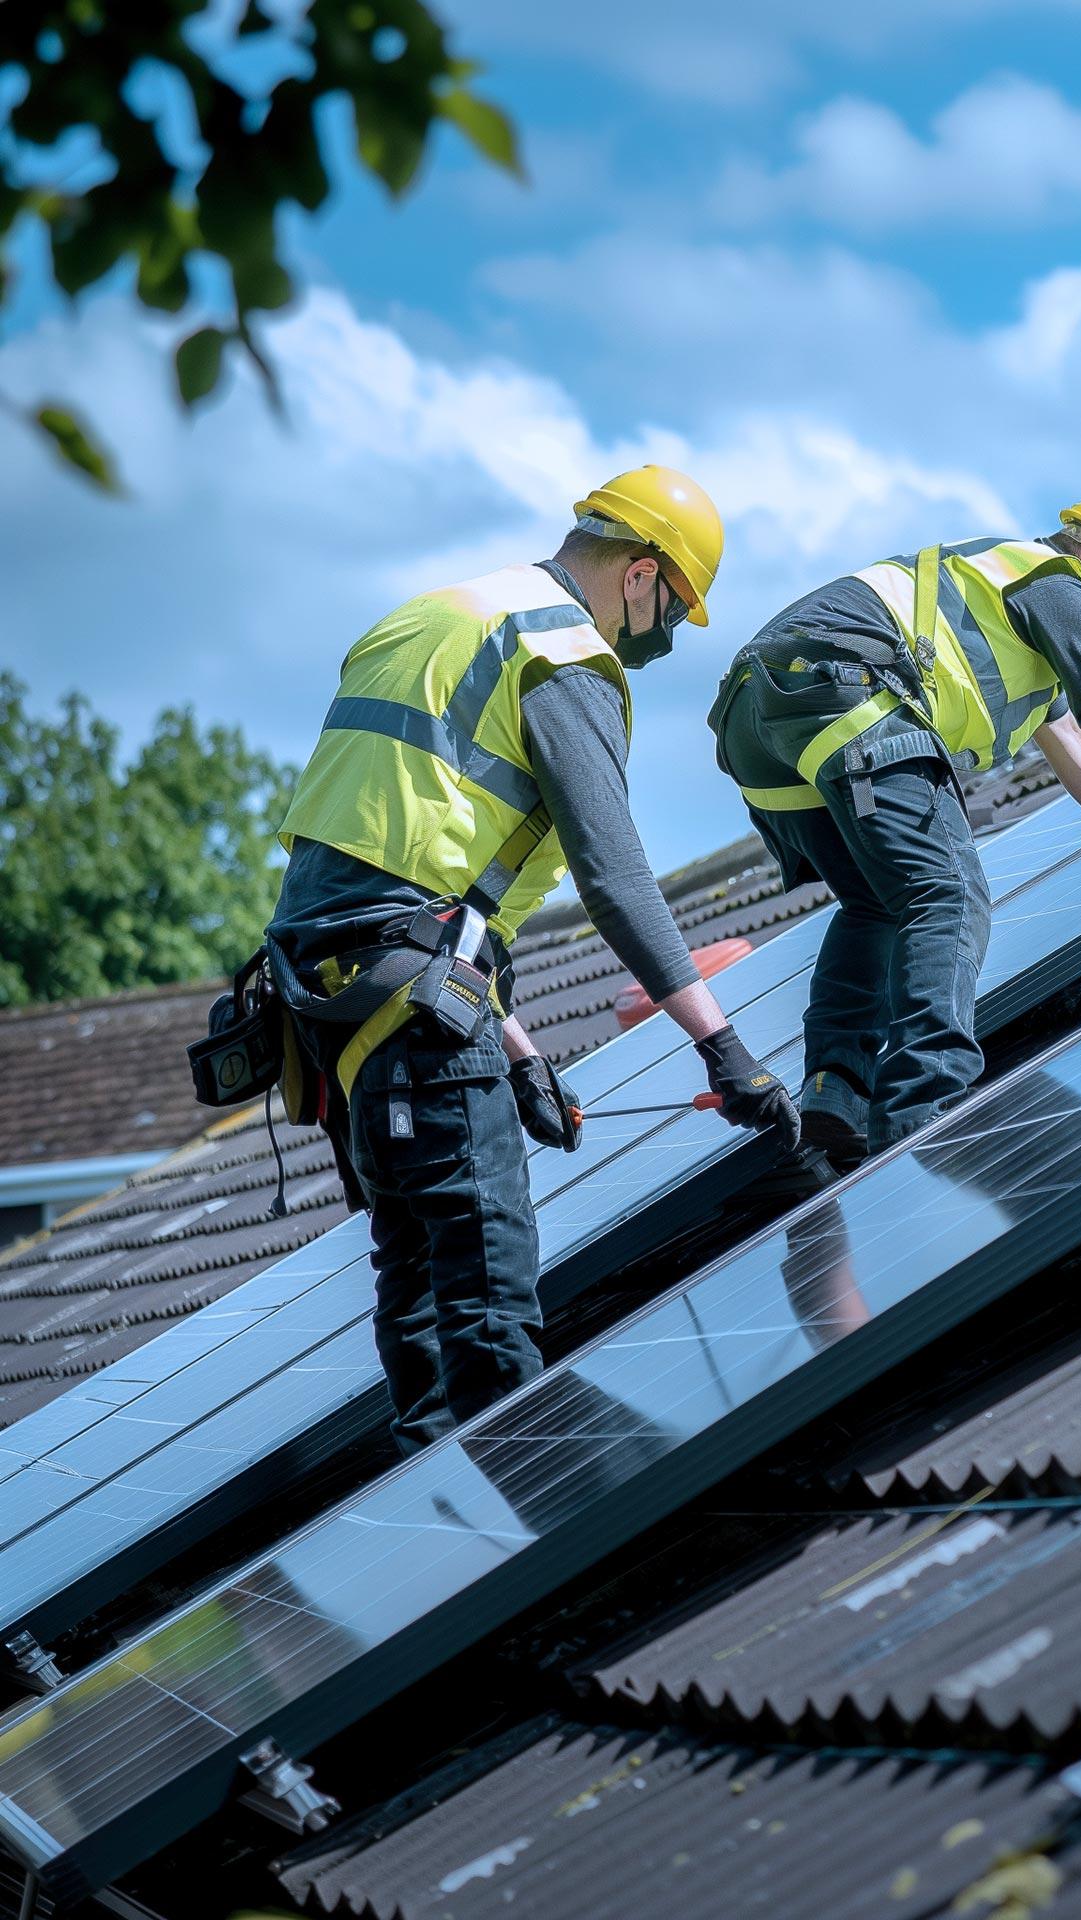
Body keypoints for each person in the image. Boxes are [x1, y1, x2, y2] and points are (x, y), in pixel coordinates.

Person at [267, 467, 799, 1454]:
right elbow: (616, 879)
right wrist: (723, 1050)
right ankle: (522, 1530)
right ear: (640, 574)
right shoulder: (565, 655)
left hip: (332, 1003)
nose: (665, 639)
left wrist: (515, 1052)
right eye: (674, 610)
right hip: (411, 998)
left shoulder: (429, 616)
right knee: (486, 1286)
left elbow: (408, 877)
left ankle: (438, 1517)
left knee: (417, 1270)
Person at [710, 490, 1081, 1167]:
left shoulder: (1008, 595)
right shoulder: (1059, 587)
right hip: (845, 685)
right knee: (949, 894)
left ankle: (836, 1087)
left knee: (880, 903)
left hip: (757, 718)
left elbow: (1066, 741)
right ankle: (927, 1105)